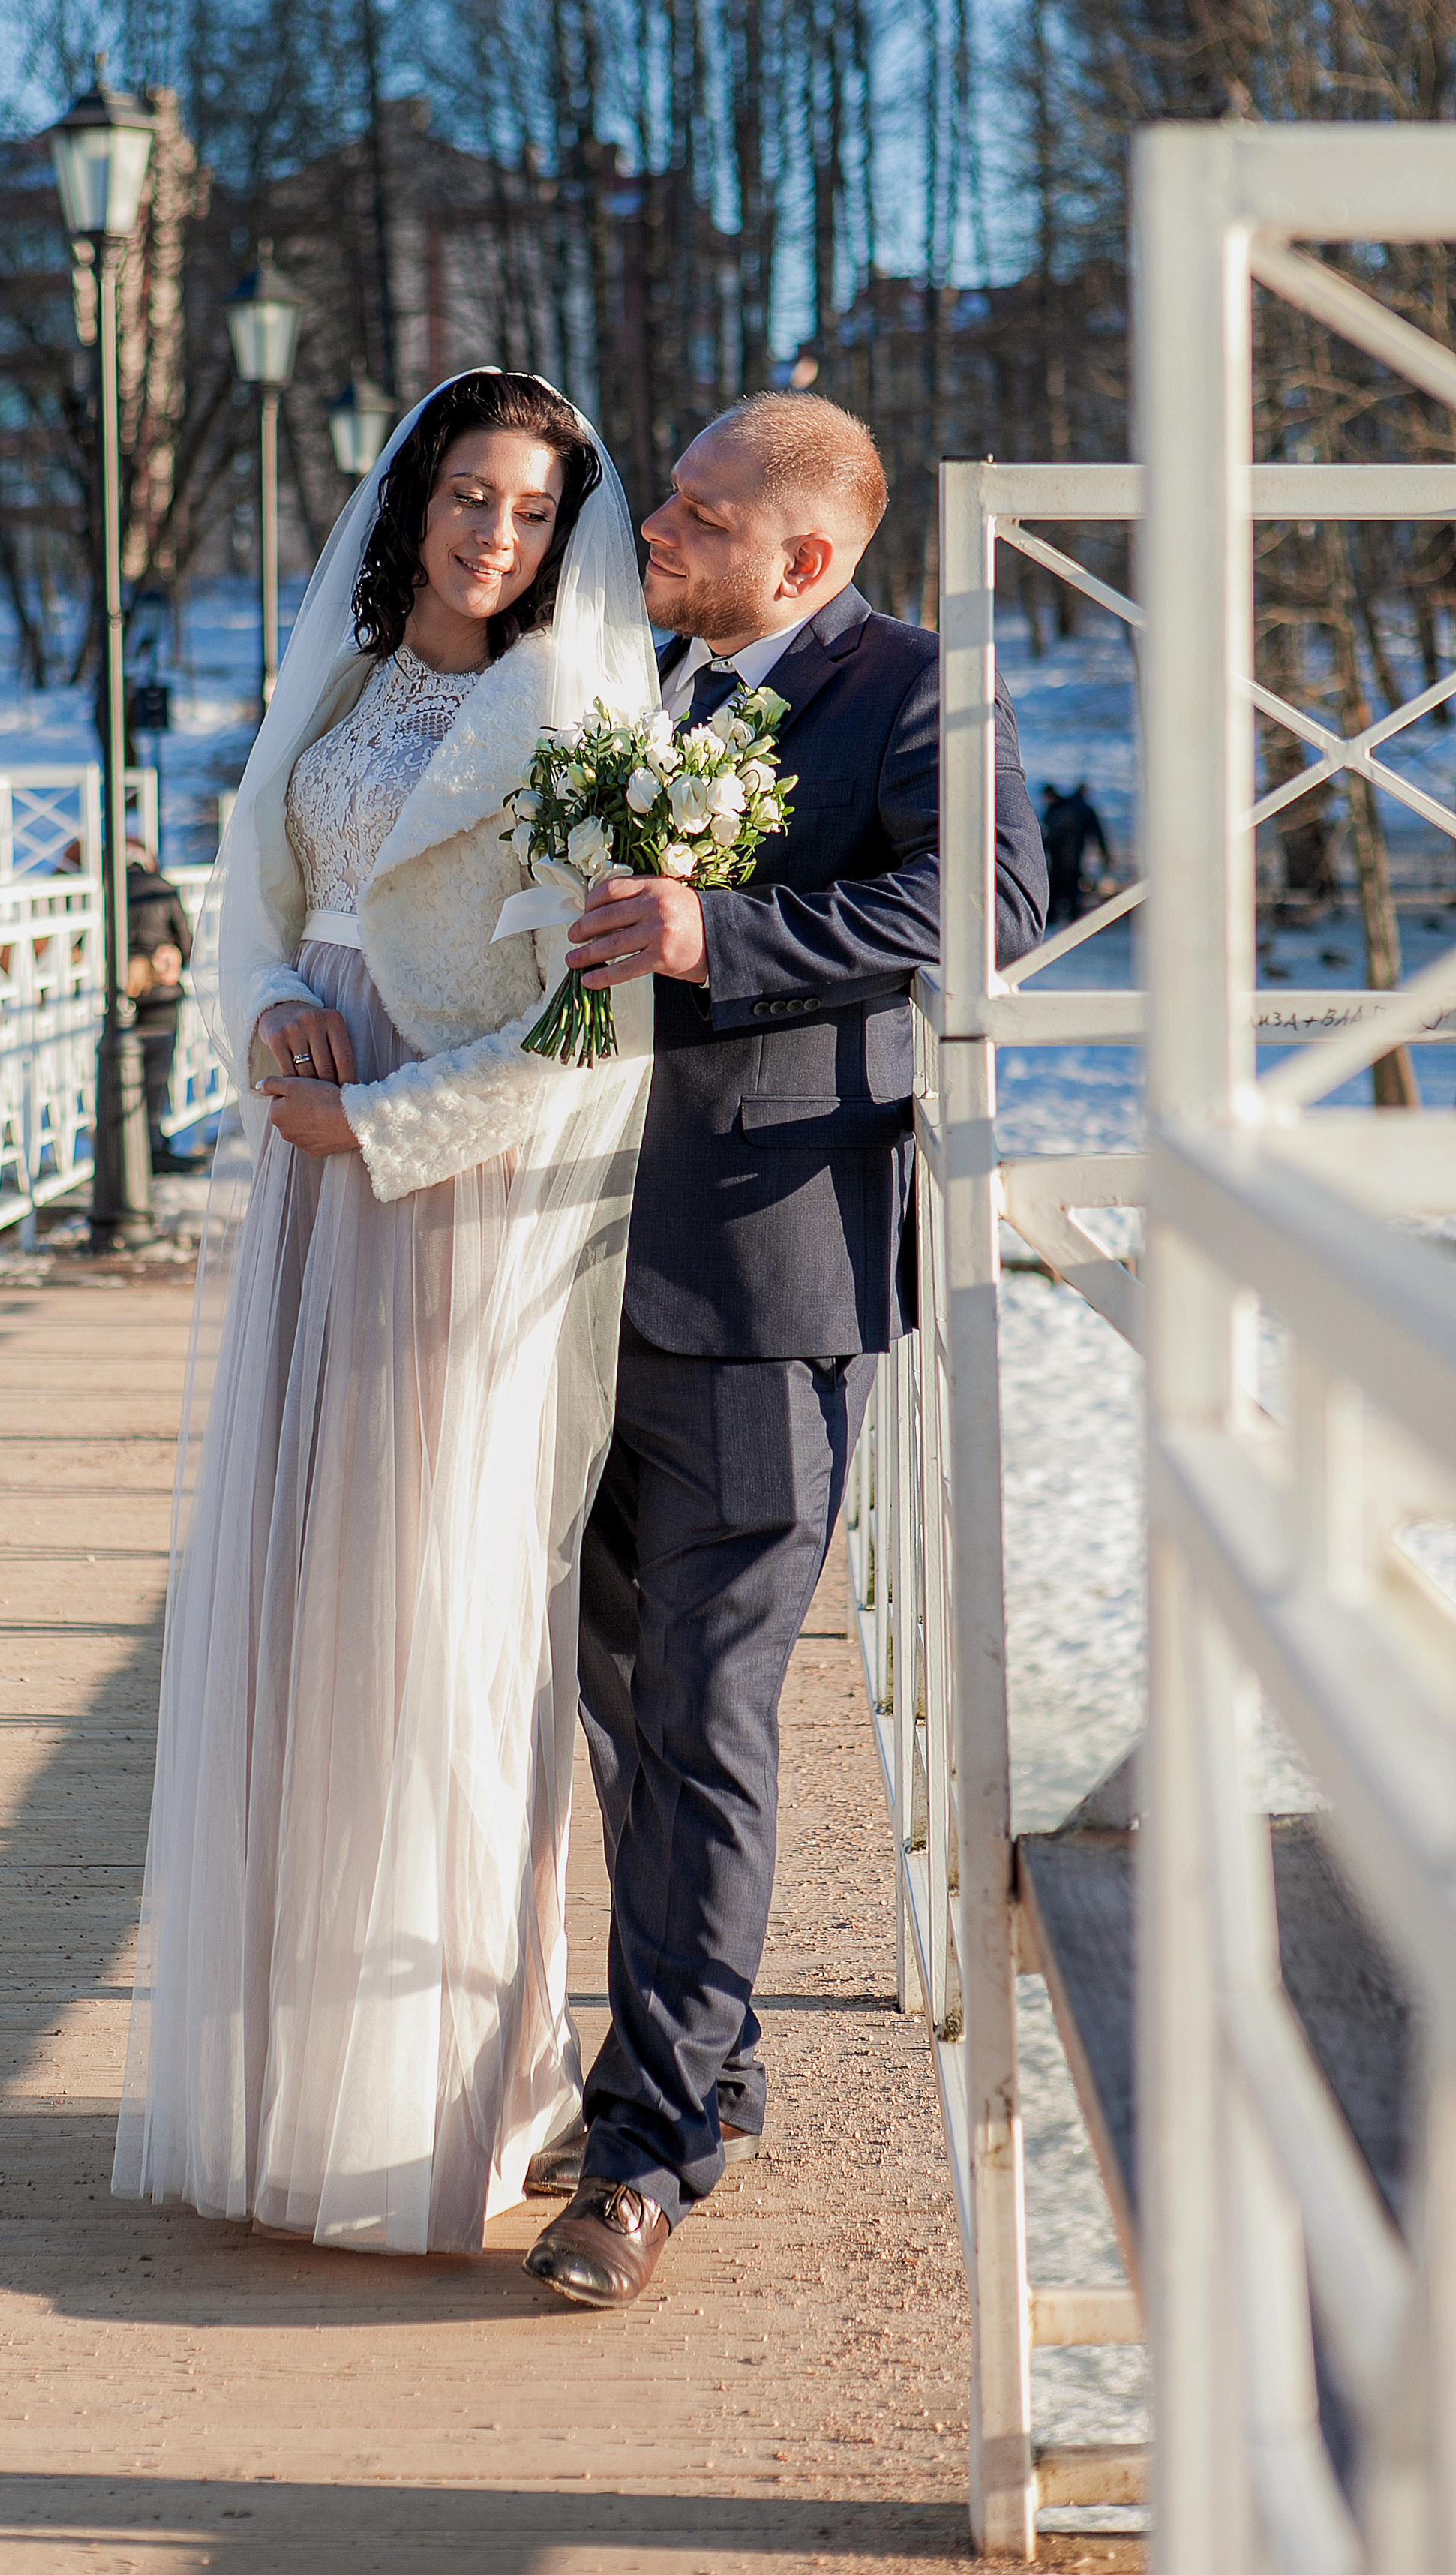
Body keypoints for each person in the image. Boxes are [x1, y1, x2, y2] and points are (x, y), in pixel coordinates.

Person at [113, 371, 658, 2253]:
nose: (489, 534)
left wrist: (386, 1120)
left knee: (428, 1608)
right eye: (464, 495)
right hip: (299, 1181)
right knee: (292, 1607)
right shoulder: (339, 690)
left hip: (441, 1201)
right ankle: (277, 2080)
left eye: (524, 508)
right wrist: (266, 1004)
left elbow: (594, 1028)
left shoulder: (576, 720)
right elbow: (260, 888)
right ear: (412, 499)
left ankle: (444, 2098)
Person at [522, 392, 1049, 2307]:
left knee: (710, 1713)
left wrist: (708, 932)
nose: (651, 523)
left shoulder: (918, 688)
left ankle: (647, 2149)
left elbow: (976, 912)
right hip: (572, 1276)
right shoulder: (634, 677)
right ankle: (707, 2066)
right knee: (607, 1701)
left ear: (801, 559)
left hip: (770, 1275)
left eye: (695, 507)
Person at [123, 838, 194, 1173]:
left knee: (125, 1073)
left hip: (125, 998)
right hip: (163, 999)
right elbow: (187, 943)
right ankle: (153, 1143)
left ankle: (129, 1145)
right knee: (157, 1073)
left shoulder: (110, 892)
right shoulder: (163, 888)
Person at [1040, 780, 1112, 927]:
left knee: (1057, 887)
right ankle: (1074, 922)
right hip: (1075, 855)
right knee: (1072, 888)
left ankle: (1053, 920)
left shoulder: (1057, 808)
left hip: (1057, 857)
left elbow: (1047, 836)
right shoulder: (1082, 809)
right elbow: (1097, 833)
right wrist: (1105, 854)